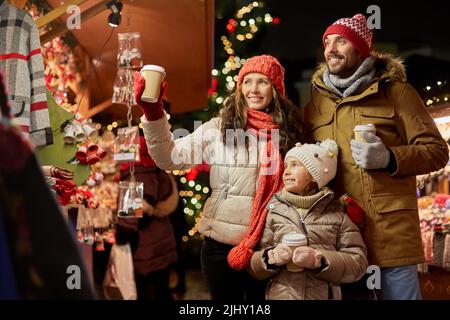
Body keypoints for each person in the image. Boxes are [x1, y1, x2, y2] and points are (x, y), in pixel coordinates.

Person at [303, 13, 449, 300]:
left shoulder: (395, 92)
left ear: (360, 49)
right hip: (342, 240)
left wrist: (390, 158)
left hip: (391, 235)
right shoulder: (315, 104)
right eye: (327, 42)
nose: (330, 48)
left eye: (341, 41)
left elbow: (437, 151)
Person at [134, 55, 304, 300]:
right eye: (247, 81)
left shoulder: (290, 132)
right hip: (219, 249)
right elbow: (169, 157)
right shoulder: (219, 128)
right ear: (239, 87)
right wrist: (153, 113)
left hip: (269, 248)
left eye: (262, 82)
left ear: (276, 89)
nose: (253, 89)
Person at [249, 139, 368, 299]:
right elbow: (253, 263)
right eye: (286, 166)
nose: (286, 172)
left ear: (314, 175)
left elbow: (358, 263)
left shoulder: (338, 214)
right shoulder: (274, 210)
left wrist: (319, 261)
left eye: (295, 165)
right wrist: (270, 257)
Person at [115, 135, 179, 300]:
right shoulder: (158, 170)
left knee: (147, 291)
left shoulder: (137, 174)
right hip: (161, 240)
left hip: (145, 246)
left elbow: (130, 218)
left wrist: (121, 234)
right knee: (161, 288)